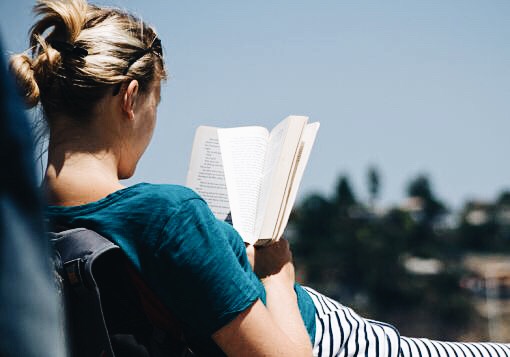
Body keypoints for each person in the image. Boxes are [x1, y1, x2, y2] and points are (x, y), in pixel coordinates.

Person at [8, 0, 510, 356]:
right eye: (156, 105)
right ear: (130, 98)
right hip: (334, 340)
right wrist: (277, 275)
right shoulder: (164, 216)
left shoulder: (26, 230)